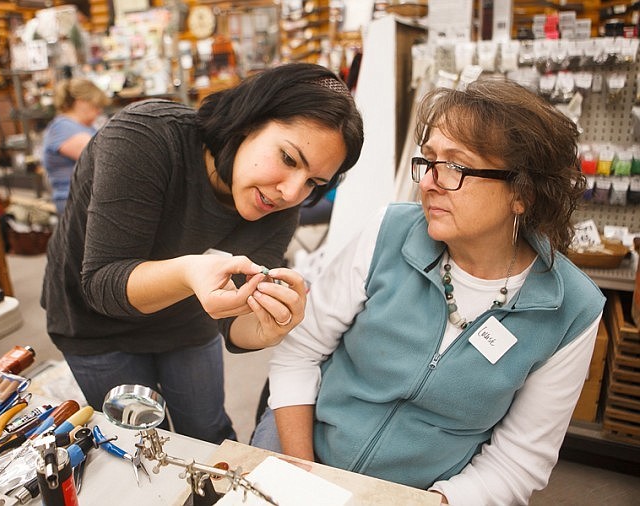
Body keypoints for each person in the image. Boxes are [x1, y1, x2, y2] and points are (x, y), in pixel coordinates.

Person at [252, 77, 604, 505]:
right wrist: (305, 475)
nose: (429, 182)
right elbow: (300, 351)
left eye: (456, 166)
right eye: (429, 160)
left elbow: (518, 461)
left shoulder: (571, 311)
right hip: (303, 447)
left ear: (523, 193)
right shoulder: (389, 232)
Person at [41, 63, 364, 444]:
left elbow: (233, 322)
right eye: (289, 159)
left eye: (313, 182)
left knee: (209, 434)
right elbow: (102, 283)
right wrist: (189, 273)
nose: (291, 193)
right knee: (141, 443)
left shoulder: (279, 203)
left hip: (186, 321)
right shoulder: (145, 136)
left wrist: (265, 330)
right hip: (95, 326)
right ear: (248, 122)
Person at [41, 78, 109, 214]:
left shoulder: (82, 127)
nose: (99, 111)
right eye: (96, 105)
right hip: (76, 204)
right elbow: (105, 157)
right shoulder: (63, 127)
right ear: (81, 102)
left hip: (87, 201)